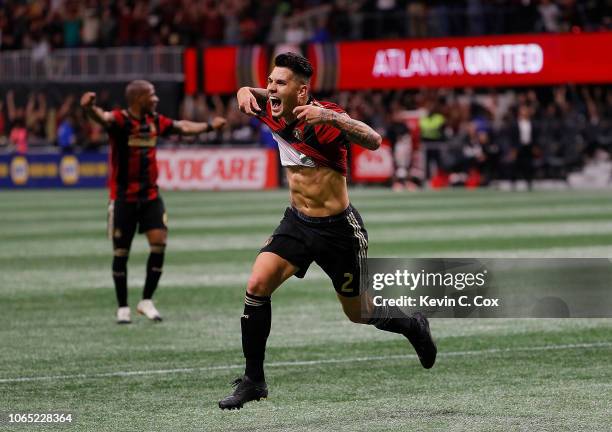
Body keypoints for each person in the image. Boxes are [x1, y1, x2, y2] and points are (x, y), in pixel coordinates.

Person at [218, 53, 436, 410]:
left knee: (359, 313)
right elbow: (263, 94)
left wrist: (332, 115)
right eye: (269, 81)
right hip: (297, 223)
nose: (271, 88)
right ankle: (254, 381)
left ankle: (413, 327)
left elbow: (375, 139)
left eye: (280, 83)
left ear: (302, 92)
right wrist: (244, 88)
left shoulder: (323, 119)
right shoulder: (273, 106)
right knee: (257, 286)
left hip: (338, 231)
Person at [80, 80, 226, 324]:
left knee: (159, 242)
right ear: (138, 99)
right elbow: (100, 117)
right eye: (152, 95)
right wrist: (88, 108)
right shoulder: (119, 120)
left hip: (150, 196)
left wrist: (209, 126)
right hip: (124, 198)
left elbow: (182, 127)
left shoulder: (154, 121)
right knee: (121, 253)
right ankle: (123, 306)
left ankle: (146, 300)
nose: (156, 99)